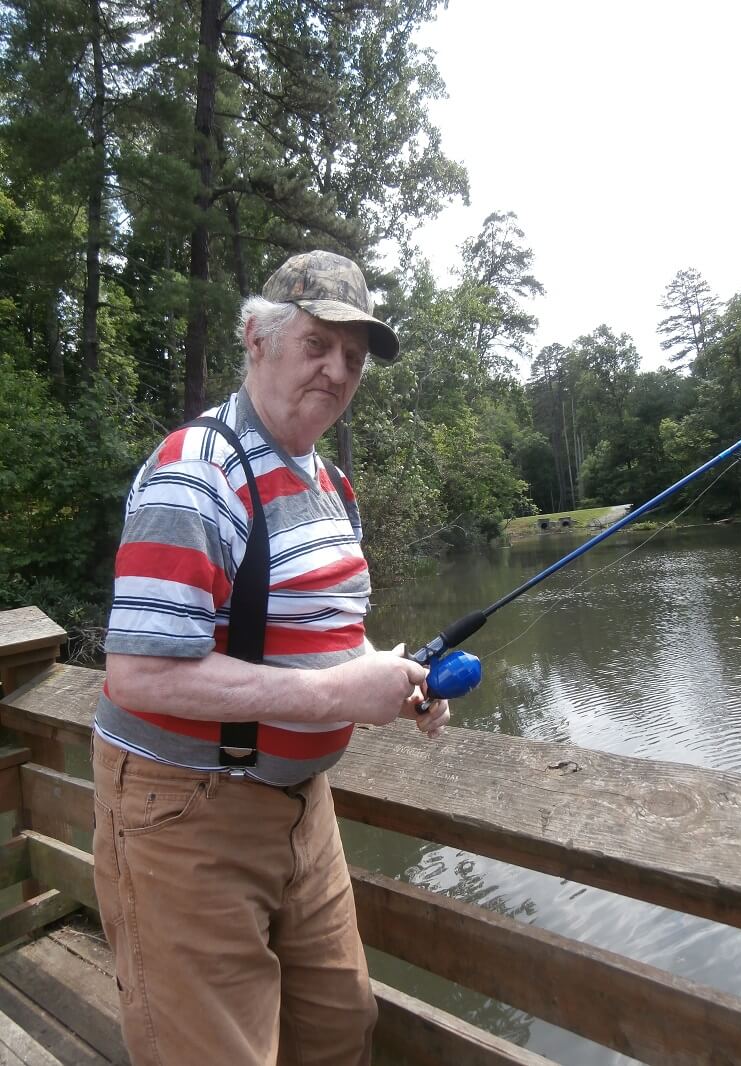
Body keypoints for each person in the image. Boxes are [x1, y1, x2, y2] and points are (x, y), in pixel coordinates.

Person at [92, 250, 450, 1066]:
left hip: (299, 808)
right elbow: (138, 674)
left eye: (353, 359)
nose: (337, 370)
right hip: (186, 813)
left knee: (337, 1030)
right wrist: (336, 698)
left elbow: (326, 634)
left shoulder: (330, 482)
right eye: (318, 343)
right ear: (257, 337)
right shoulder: (197, 473)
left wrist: (390, 680)